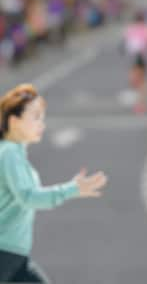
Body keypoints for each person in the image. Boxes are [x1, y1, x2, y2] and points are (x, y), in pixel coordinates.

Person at [0, 84, 108, 282]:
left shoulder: (13, 153)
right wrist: (70, 189)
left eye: (42, 117)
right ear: (14, 121)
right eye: (35, 117)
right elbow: (28, 197)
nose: (42, 124)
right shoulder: (9, 154)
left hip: (14, 256)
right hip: (4, 253)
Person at [123, 12, 147, 114]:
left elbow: (127, 42)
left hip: (140, 57)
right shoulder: (139, 29)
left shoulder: (137, 29)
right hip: (139, 57)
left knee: (138, 80)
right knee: (139, 81)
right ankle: (141, 102)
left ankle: (141, 104)